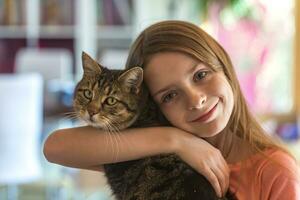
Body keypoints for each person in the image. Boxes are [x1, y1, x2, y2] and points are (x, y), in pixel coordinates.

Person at [43, 20, 300, 199]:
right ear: (151, 104)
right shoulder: (150, 153)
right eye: (169, 95)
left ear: (224, 65)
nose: (196, 100)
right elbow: (55, 146)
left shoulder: (275, 171)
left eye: (200, 75)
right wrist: (177, 142)